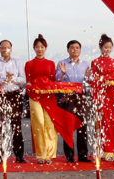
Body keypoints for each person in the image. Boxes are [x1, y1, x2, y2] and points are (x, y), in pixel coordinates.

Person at [25, 34, 82, 165]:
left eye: (42, 47)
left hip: (48, 96)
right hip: (35, 96)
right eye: (37, 47)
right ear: (34, 48)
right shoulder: (29, 64)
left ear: (45, 48)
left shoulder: (50, 63)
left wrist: (62, 73)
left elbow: (54, 81)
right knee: (38, 122)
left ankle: (49, 154)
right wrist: (30, 89)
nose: (40, 49)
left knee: (50, 124)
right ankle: (40, 154)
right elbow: (28, 81)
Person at [0, 39, 27, 164]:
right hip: (1, 96)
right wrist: (4, 80)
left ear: (11, 49)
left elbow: (23, 79)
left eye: (8, 47)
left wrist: (12, 79)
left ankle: (19, 155)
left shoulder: (17, 62)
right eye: (3, 47)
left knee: (16, 125)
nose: (5, 49)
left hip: (15, 95)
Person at [89, 34, 114, 162]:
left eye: (110, 47)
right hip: (102, 96)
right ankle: (104, 151)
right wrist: (103, 81)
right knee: (103, 123)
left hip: (113, 95)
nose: (108, 50)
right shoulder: (95, 62)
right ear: (100, 47)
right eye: (106, 47)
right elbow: (94, 80)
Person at [55, 40, 91, 164]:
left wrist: (88, 77)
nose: (75, 50)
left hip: (81, 97)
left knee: (82, 126)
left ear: (80, 50)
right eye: (72, 47)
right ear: (68, 50)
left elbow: (88, 82)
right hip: (68, 97)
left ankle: (83, 155)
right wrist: (62, 73)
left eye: (77, 47)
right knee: (68, 127)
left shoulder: (85, 64)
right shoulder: (62, 63)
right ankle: (69, 156)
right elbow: (57, 81)